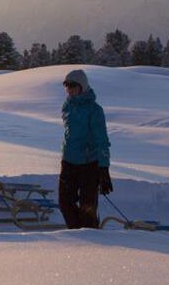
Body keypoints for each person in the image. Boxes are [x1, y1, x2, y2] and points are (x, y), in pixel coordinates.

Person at [59, 69, 112, 229]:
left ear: (82, 86)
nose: (69, 90)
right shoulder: (67, 106)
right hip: (68, 161)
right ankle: (76, 234)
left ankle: (91, 236)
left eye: (73, 86)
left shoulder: (94, 110)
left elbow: (102, 140)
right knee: (65, 203)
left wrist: (104, 168)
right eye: (67, 86)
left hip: (89, 164)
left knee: (87, 209)